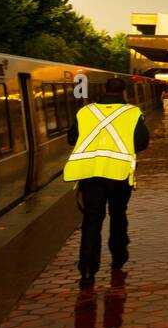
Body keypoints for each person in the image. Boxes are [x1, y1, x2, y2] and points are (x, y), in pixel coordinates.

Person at [64, 78, 149, 286]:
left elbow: (72, 138)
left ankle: (87, 270)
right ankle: (118, 256)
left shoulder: (85, 112)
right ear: (124, 92)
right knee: (118, 214)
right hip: (119, 173)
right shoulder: (133, 113)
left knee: (92, 220)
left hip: (89, 173)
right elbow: (141, 142)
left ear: (104, 89)